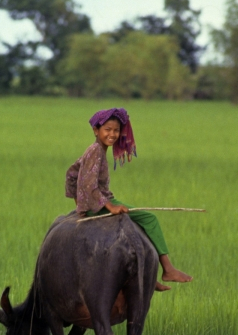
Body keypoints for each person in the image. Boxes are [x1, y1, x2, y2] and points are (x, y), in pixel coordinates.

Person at [65, 108, 192, 291]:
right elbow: (88, 184)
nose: (112, 134)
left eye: (116, 130)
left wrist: (80, 204)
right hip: (100, 203)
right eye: (107, 129)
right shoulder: (95, 151)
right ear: (96, 130)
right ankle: (168, 269)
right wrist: (108, 206)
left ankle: (147, 275)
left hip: (96, 202)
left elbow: (72, 175)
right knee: (149, 219)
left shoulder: (97, 150)